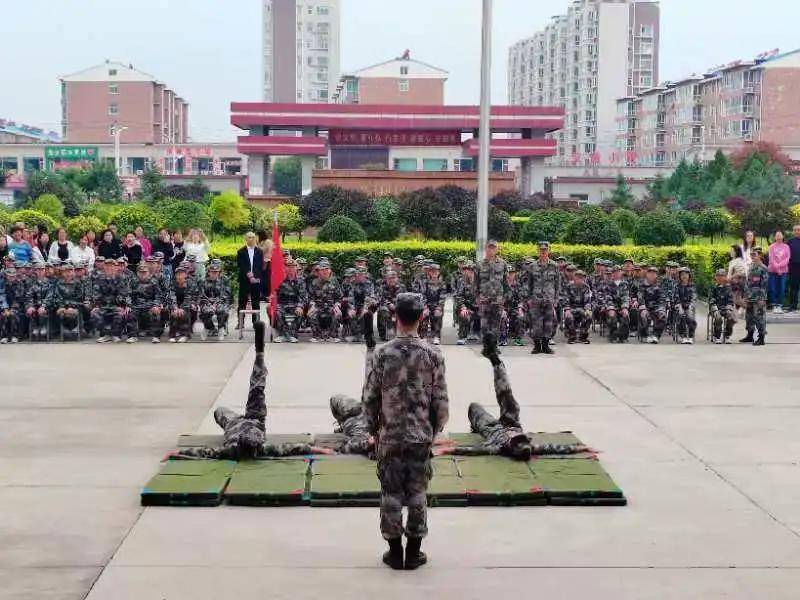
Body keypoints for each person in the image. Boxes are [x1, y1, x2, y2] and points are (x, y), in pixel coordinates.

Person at [363, 292, 449, 571]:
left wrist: (374, 430)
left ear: (395, 317)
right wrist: (433, 431)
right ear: (422, 317)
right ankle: (414, 552)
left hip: (390, 436)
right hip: (419, 436)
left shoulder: (383, 354)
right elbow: (442, 403)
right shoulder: (433, 354)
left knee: (390, 493)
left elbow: (369, 399)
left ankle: (394, 551)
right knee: (417, 492)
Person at [174, 322, 333, 459]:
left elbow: (204, 452)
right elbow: (292, 448)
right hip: (253, 419)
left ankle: (259, 354)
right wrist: (321, 450)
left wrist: (178, 454)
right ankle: (259, 355)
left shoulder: (234, 449)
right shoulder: (251, 449)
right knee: (256, 389)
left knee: (220, 410)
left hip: (234, 422)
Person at [439, 333, 588, 459]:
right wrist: (580, 449)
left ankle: (493, 361)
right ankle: (495, 361)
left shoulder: (496, 447)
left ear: (509, 446)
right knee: (507, 396)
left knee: (474, 407)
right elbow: (553, 448)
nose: (514, 436)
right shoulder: (527, 443)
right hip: (511, 422)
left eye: (515, 440)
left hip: (492, 429)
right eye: (520, 438)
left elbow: (474, 450)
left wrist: (449, 450)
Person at [525, 241, 560, 355]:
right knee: (536, 324)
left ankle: (545, 346)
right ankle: (537, 346)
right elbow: (529, 284)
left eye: (545, 250)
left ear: (548, 251)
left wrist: (556, 299)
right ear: (538, 251)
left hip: (549, 299)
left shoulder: (554, 266)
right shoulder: (532, 266)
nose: (543, 252)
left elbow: (557, 284)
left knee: (548, 324)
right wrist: (529, 299)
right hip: (536, 299)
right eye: (541, 250)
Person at [91, 258, 131, 343]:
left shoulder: (121, 279)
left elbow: (123, 294)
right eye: (107, 266)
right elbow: (96, 294)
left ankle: (115, 334)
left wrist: (121, 306)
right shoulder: (99, 278)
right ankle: (106, 335)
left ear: (116, 268)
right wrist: (97, 305)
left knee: (120, 314)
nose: (110, 268)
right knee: (95, 314)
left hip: (116, 305)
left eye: (112, 266)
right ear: (104, 267)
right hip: (103, 306)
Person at [476, 240, 507, 338]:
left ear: (497, 249)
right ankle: (486, 346)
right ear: (486, 249)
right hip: (484, 299)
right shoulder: (479, 264)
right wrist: (477, 298)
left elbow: (505, 283)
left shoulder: (503, 264)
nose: (491, 250)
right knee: (484, 325)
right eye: (489, 248)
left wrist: (504, 299)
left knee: (496, 325)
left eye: (493, 248)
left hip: (498, 300)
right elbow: (475, 283)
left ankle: (494, 346)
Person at [129, 263, 166, 344]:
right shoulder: (133, 282)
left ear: (148, 273)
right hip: (137, 305)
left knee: (156, 313)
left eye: (144, 272)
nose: (142, 274)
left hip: (150, 305)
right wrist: (128, 305)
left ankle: (156, 336)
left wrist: (156, 305)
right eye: (140, 272)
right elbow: (129, 295)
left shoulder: (153, 282)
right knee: (131, 314)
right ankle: (133, 336)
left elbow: (158, 295)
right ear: (137, 273)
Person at [308, 260, 343, 343]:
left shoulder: (335, 282)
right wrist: (312, 306)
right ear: (319, 271)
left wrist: (337, 306)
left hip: (331, 307)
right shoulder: (314, 282)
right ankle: (317, 335)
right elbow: (310, 297)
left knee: (337, 313)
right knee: (312, 313)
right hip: (318, 306)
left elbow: (339, 297)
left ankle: (333, 335)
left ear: (330, 270)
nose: (325, 272)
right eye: (322, 270)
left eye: (327, 269)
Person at [274, 259, 308, 343]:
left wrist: (300, 306)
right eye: (288, 267)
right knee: (278, 312)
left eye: (293, 267)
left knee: (299, 312)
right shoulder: (280, 279)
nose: (291, 269)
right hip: (283, 303)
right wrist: (274, 300)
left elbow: (303, 295)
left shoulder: (300, 280)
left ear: (296, 268)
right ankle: (282, 335)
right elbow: (275, 293)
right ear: (285, 268)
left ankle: (293, 335)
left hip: (295, 303)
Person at [47, 263, 85, 337]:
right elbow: (57, 297)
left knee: (72, 313)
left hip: (75, 306)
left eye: (70, 271)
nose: (68, 273)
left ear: (73, 272)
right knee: (60, 312)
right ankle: (64, 328)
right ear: (62, 273)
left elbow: (80, 298)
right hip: (62, 307)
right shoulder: (59, 283)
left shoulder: (78, 283)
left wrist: (71, 306)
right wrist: (62, 307)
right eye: (65, 271)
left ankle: (75, 328)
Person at [198, 259, 232, 340]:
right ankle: (208, 328)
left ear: (219, 272)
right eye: (212, 271)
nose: (214, 273)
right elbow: (201, 295)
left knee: (222, 310)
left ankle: (221, 328)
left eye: (216, 272)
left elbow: (225, 295)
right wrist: (210, 304)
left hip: (220, 302)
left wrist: (216, 304)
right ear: (209, 272)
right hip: (206, 303)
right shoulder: (203, 281)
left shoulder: (223, 281)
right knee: (205, 312)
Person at [236, 232, 264, 327]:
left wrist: (256, 277)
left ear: (255, 239)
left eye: (253, 237)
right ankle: (240, 322)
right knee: (242, 302)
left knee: (256, 302)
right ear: (245, 239)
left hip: (255, 281)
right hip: (244, 280)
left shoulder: (259, 251)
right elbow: (241, 265)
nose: (251, 239)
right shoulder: (241, 251)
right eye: (249, 237)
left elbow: (260, 266)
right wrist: (249, 274)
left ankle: (255, 322)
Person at [741, 247, 768, 346]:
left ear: (760, 255)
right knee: (749, 317)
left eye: (754, 254)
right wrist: (745, 296)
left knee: (759, 317)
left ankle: (761, 338)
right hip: (750, 297)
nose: (752, 256)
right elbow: (747, 283)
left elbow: (764, 285)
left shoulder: (763, 268)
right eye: (751, 254)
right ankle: (750, 335)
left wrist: (762, 298)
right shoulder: (751, 267)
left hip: (758, 298)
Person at [167, 264, 197, 343]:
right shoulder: (172, 283)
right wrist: (175, 307)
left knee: (184, 313)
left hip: (187, 303)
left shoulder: (190, 283)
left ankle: (185, 335)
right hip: (175, 303)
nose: (180, 275)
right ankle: (172, 334)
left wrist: (182, 308)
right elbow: (171, 296)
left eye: (182, 273)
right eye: (178, 274)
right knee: (174, 313)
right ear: (175, 275)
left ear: (186, 275)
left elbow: (188, 297)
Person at [418, 263, 446, 345]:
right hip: (427, 304)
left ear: (438, 272)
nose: (434, 273)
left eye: (436, 271)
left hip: (437, 305)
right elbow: (422, 295)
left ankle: (436, 336)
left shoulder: (442, 283)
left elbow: (442, 297)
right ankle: (423, 336)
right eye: (432, 271)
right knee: (424, 315)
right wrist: (425, 307)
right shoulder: (425, 282)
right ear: (429, 272)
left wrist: (439, 307)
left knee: (438, 315)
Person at [563, 269, 593, 344]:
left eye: (581, 277)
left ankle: (583, 337)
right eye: (577, 277)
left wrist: (587, 310)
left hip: (582, 308)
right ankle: (572, 337)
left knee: (589, 316)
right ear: (574, 278)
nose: (579, 279)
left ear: (584, 278)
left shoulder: (586, 287)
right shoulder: (569, 286)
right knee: (568, 317)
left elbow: (587, 301)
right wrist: (567, 309)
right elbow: (566, 299)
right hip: (571, 308)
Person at [638, 266, 667, 344]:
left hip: (656, 307)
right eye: (650, 273)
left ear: (656, 275)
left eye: (654, 273)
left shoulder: (660, 285)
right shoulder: (641, 285)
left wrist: (661, 309)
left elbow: (662, 298)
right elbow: (640, 297)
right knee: (643, 315)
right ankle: (644, 335)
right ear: (647, 274)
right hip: (645, 307)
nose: (652, 275)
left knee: (662, 315)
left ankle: (656, 335)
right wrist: (643, 307)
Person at [454, 262, 479, 345]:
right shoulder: (462, 282)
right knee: (464, 315)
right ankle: (462, 336)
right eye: (469, 270)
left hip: (480, 308)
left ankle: (479, 333)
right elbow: (459, 297)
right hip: (468, 307)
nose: (471, 272)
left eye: (473, 270)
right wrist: (463, 307)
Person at [605, 265, 631, 344]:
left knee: (625, 315)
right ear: (612, 273)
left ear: (621, 273)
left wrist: (624, 307)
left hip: (621, 306)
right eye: (614, 272)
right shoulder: (608, 284)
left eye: (618, 271)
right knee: (612, 316)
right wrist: (611, 308)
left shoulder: (625, 284)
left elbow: (626, 297)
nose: (616, 273)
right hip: (612, 307)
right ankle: (613, 335)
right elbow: (607, 297)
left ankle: (623, 336)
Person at [709, 269, 736, 344]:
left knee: (731, 317)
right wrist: (715, 309)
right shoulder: (713, 287)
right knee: (718, 318)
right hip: (715, 308)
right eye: (718, 276)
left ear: (725, 277)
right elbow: (711, 300)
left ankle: (727, 335)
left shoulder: (729, 288)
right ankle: (717, 336)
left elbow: (730, 301)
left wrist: (728, 307)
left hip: (726, 308)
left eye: (722, 276)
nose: (720, 278)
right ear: (715, 277)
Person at [25, 263, 51, 339]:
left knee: (43, 310)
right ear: (35, 271)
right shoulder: (31, 282)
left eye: (42, 269)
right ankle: (35, 326)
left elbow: (50, 296)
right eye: (38, 270)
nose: (40, 271)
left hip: (46, 305)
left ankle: (43, 326)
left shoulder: (49, 282)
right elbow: (29, 296)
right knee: (30, 310)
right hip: (35, 304)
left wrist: (43, 306)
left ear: (45, 271)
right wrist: (30, 306)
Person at [767, 230, 790, 313]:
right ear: (774, 237)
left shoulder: (786, 247)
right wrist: (777, 269)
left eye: (780, 235)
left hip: (783, 271)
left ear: (783, 236)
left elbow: (787, 259)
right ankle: (774, 306)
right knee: (773, 288)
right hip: (772, 271)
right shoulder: (771, 247)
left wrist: (780, 268)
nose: (779, 237)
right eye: (777, 235)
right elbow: (771, 260)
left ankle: (779, 306)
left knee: (782, 288)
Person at [673, 267, 697, 344]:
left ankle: (690, 336)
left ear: (689, 275)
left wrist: (690, 306)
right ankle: (682, 335)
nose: (684, 276)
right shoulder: (677, 286)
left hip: (689, 306)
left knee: (690, 316)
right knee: (681, 315)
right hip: (679, 305)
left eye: (686, 274)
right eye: (682, 274)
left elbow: (694, 297)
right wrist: (679, 307)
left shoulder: (692, 286)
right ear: (680, 276)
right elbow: (676, 297)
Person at [787, 225, 800, 312]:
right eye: (795, 230)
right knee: (793, 288)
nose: (796, 231)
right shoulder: (790, 242)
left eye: (798, 230)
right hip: (793, 267)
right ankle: (793, 306)